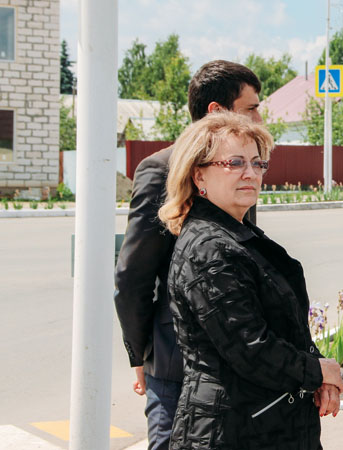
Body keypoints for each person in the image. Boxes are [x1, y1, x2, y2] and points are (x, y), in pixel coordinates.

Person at [157, 111, 343, 449]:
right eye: (235, 163)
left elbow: (286, 327)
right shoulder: (210, 248)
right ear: (199, 174)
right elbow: (250, 348)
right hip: (230, 430)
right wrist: (318, 371)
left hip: (262, 423)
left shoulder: (237, 235)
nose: (251, 173)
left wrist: (319, 373)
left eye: (258, 164)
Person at [114, 60, 264, 450]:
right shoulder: (160, 170)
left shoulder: (244, 168)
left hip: (240, 362)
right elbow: (133, 275)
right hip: (176, 365)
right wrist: (140, 354)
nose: (259, 118)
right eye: (251, 108)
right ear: (217, 111)